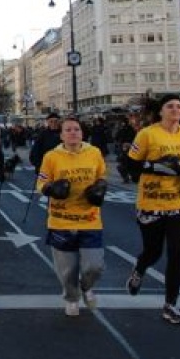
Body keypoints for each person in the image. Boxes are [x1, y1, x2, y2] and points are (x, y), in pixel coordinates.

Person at [126, 93, 180, 326]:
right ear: (160, 111)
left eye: (179, 106)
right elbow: (131, 166)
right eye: (170, 106)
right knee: (153, 252)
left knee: (177, 253)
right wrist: (157, 167)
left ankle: (171, 305)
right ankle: (140, 268)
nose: (175, 110)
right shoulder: (147, 134)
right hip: (151, 202)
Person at [36, 116, 108, 317]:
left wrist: (100, 187)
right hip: (61, 220)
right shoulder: (51, 157)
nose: (73, 132)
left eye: (76, 129)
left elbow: (102, 175)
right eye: (68, 130)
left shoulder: (94, 153)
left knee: (94, 266)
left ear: (82, 133)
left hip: (90, 219)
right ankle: (71, 297)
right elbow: (41, 184)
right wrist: (51, 188)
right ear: (61, 135)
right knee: (68, 269)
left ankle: (86, 287)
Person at [114, 112, 143, 182]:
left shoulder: (127, 129)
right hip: (129, 148)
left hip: (128, 148)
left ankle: (129, 177)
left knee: (125, 164)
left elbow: (117, 137)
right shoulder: (131, 129)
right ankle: (131, 177)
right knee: (126, 164)